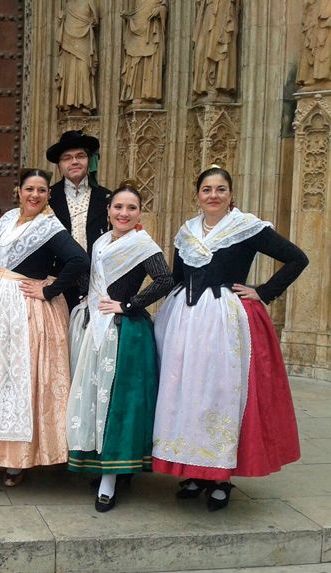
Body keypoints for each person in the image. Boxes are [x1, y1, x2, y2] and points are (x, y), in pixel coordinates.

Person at [152, 165, 309, 511]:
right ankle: (192, 469)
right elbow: (177, 277)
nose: (213, 195)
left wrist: (264, 292)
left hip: (224, 320)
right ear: (197, 195)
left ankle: (220, 477)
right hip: (184, 321)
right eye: (207, 189)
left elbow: (298, 259)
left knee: (219, 394)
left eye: (220, 189)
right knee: (186, 392)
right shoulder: (187, 231)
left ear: (231, 194)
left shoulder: (247, 228)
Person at [0, 168, 89, 487]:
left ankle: (19, 460)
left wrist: (49, 290)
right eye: (29, 188)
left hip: (26, 311)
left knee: (20, 380)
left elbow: (79, 261)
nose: (35, 195)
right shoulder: (6, 221)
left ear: (48, 195)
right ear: (18, 190)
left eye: (42, 190)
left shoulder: (49, 227)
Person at [65, 180, 174, 512]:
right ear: (109, 211)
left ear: (139, 213)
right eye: (118, 207)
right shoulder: (100, 242)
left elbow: (166, 280)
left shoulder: (143, 244)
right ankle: (101, 464)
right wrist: (88, 295)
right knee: (96, 400)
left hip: (125, 333)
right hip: (96, 330)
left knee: (118, 403)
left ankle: (110, 480)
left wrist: (128, 306)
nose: (123, 213)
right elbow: (91, 277)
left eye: (131, 207)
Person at [46, 130, 112, 309]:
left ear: (89, 160)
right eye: (67, 158)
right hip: (57, 284)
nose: (74, 161)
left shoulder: (108, 198)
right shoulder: (47, 199)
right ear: (59, 165)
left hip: (98, 285)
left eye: (80, 156)